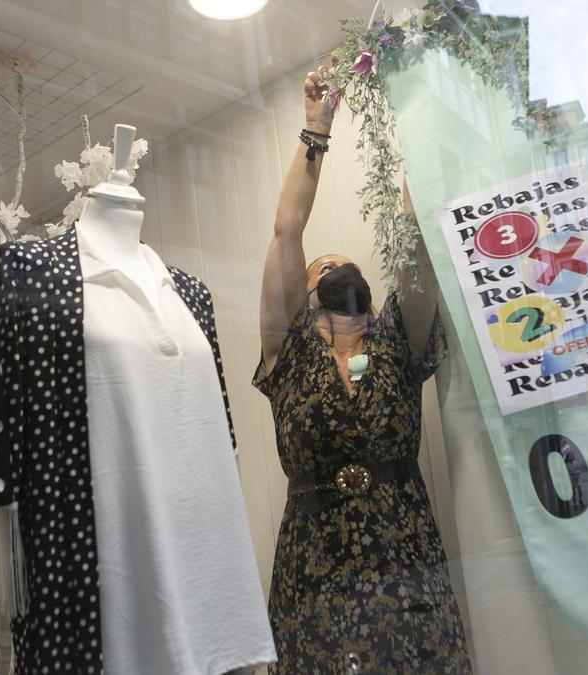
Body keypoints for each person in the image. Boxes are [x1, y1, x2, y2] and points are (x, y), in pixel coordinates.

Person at [253, 61, 472, 674]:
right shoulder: (287, 355)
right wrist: (316, 129)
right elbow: (285, 229)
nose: (335, 266)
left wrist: (416, 112)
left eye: (348, 263)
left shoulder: (400, 342)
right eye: (322, 265)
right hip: (313, 572)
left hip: (405, 562)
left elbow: (417, 228)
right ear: (301, 292)